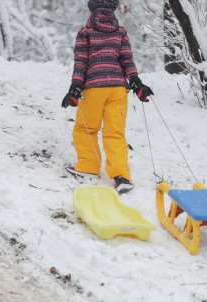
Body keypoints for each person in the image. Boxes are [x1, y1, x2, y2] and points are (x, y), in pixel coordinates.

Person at [61, 0, 154, 194]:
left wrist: (75, 89)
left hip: (93, 88)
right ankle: (121, 176)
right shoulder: (120, 32)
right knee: (115, 133)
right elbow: (127, 59)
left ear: (91, 10)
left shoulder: (85, 33)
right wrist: (136, 83)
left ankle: (87, 166)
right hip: (118, 89)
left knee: (85, 129)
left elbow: (81, 63)